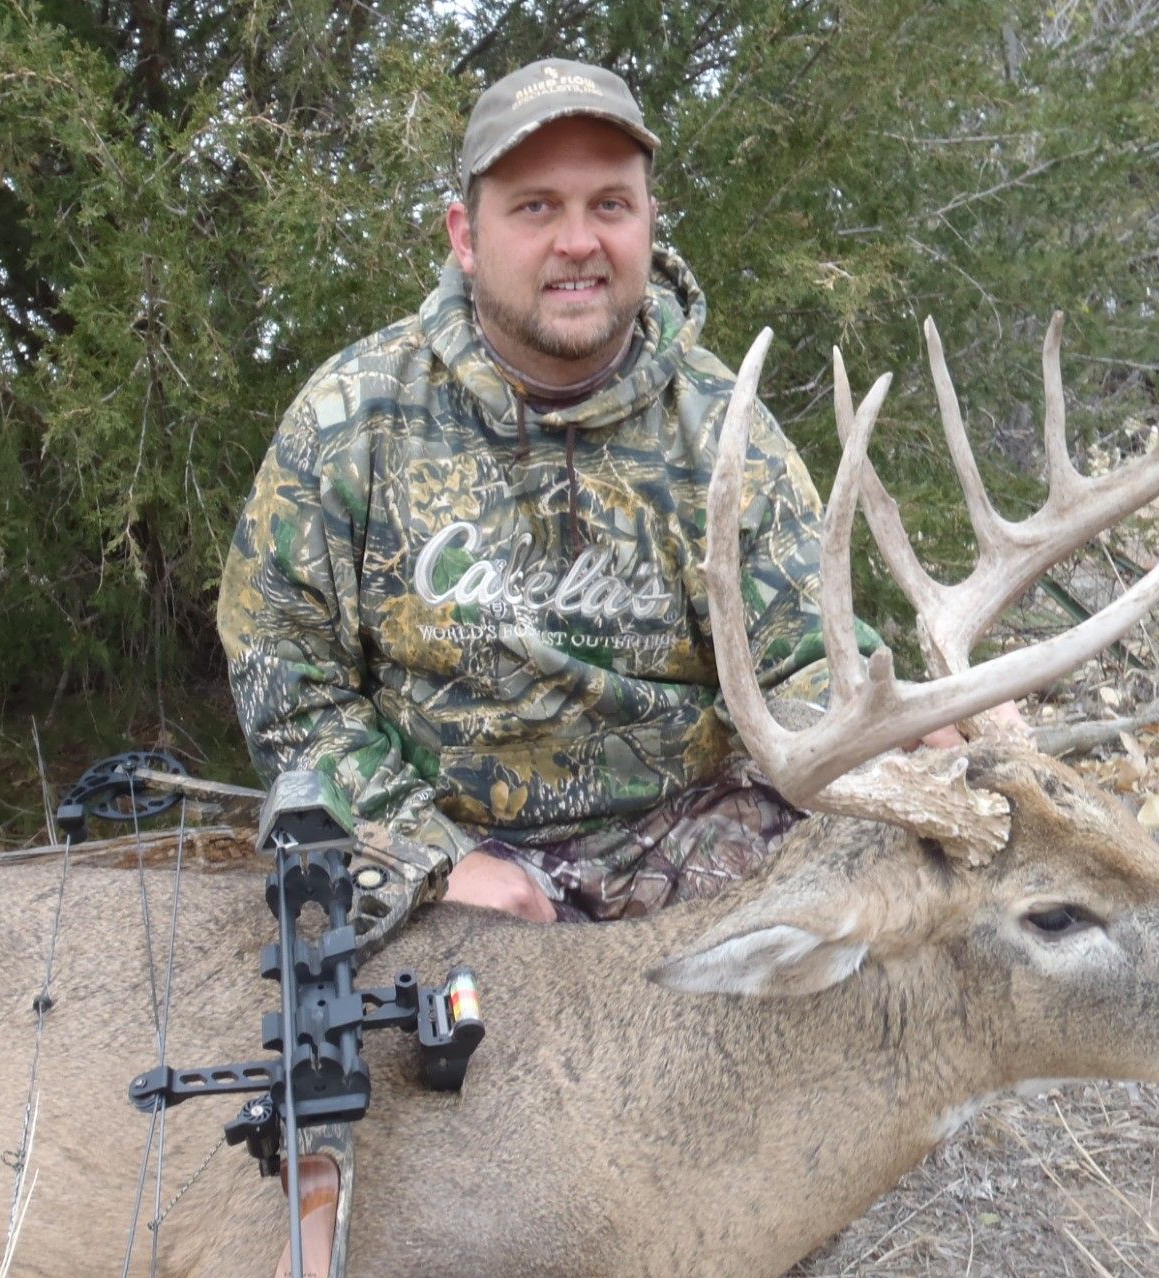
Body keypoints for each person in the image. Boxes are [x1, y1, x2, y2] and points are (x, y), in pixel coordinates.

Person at [218, 58, 871, 927]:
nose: (578, 242)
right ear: (465, 235)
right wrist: (429, 853)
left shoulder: (726, 427)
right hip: (446, 853)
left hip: (693, 850)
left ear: (649, 221)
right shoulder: (353, 419)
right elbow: (282, 671)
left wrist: (900, 724)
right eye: (536, 207)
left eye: (610, 205)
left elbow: (809, 658)